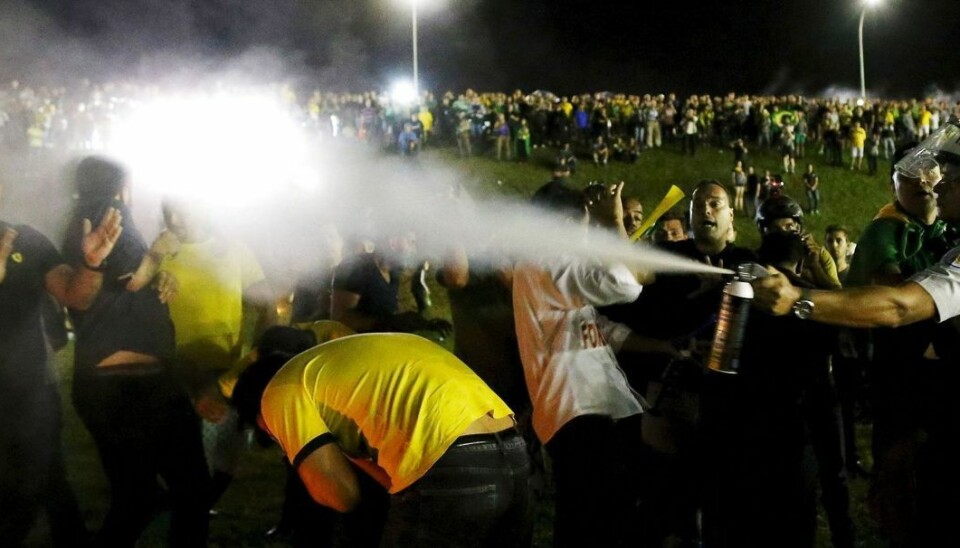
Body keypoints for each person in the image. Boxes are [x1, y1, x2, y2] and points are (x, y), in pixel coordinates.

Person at [753, 123, 960, 546]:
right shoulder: (891, 231)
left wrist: (798, 299)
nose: (935, 184)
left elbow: (899, 306)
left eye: (949, 178)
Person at [231, 331, 533, 547]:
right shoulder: (336, 366)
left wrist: (319, 456)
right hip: (511, 449)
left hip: (450, 462)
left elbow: (341, 496)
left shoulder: (278, 391)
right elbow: (396, 484)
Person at [513, 180, 677, 547]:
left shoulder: (550, 266)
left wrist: (664, 346)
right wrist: (609, 225)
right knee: (591, 525)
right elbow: (625, 285)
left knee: (602, 520)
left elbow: (597, 328)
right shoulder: (547, 259)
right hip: (580, 416)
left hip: (594, 412)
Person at [62, 156, 211, 547]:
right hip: (137, 385)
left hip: (104, 384)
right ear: (121, 186)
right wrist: (160, 253)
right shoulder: (112, 214)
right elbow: (130, 278)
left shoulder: (79, 218)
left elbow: (120, 283)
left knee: (137, 498)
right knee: (191, 488)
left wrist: (159, 277)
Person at [0, 180, 121, 546]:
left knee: (37, 478)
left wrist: (91, 263)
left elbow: (75, 295)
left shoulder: (24, 238)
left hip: (30, 389)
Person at [160, 197, 275, 508]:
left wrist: (256, 357)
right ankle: (189, 507)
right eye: (167, 210)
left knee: (227, 454)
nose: (174, 217)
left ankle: (200, 506)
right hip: (174, 371)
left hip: (226, 370)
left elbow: (266, 305)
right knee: (184, 454)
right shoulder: (158, 253)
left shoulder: (233, 250)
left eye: (181, 207)